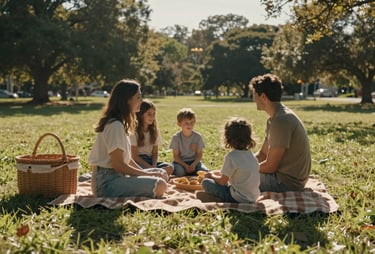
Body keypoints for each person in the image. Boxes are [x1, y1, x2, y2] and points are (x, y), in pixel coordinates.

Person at [88, 79, 168, 198]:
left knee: (162, 173)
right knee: (160, 185)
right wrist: (146, 175)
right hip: (106, 183)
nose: (141, 100)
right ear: (127, 100)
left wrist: (146, 173)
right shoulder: (115, 126)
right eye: (138, 97)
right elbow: (119, 165)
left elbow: (128, 160)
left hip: (118, 176)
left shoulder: (121, 124)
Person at [249, 73, 311, 192]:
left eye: (254, 94)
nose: (253, 99)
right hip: (281, 177)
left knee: (238, 180)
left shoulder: (282, 121)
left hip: (286, 182)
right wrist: (242, 162)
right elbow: (262, 154)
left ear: (263, 96)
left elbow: (270, 166)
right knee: (235, 175)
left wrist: (244, 170)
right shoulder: (274, 119)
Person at [199, 117, 260, 203]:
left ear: (228, 138)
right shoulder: (250, 154)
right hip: (253, 197)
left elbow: (223, 182)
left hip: (238, 198)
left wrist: (211, 176)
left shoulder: (231, 156)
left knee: (206, 182)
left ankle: (217, 199)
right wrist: (216, 172)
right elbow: (236, 173)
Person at [130, 99, 174, 175]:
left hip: (150, 160)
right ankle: (151, 174)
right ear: (141, 114)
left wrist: (154, 166)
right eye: (149, 114)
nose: (152, 117)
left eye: (154, 114)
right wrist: (151, 168)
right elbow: (134, 156)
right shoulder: (134, 132)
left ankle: (152, 174)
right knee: (140, 169)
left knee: (170, 167)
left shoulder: (154, 131)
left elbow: (155, 153)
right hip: (139, 161)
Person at [169, 108, 209, 177]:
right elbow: (176, 156)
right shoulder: (176, 137)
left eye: (192, 122)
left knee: (205, 172)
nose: (189, 125)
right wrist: (186, 166)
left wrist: (193, 164)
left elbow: (199, 154)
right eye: (186, 123)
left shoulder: (198, 137)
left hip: (195, 162)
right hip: (180, 163)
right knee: (180, 172)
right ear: (179, 124)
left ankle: (191, 173)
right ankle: (188, 173)